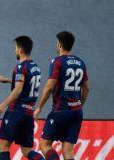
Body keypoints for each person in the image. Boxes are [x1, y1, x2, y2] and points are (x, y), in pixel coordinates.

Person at [33, 31, 90, 160]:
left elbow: (49, 86)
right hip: (76, 112)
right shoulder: (81, 63)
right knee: (68, 150)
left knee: (45, 144)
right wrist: (79, 104)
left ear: (59, 44)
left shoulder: (57, 61)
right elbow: (86, 87)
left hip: (61, 111)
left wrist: (39, 107)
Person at [0, 36, 44, 160]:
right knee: (27, 150)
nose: (15, 50)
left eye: (16, 48)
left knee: (4, 146)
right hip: (28, 113)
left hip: (16, 111)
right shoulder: (35, 68)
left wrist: (2, 105)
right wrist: (7, 80)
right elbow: (26, 83)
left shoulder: (21, 67)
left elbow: (19, 89)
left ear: (20, 50)